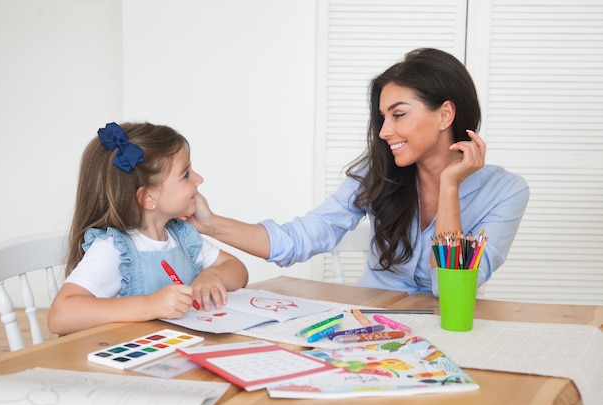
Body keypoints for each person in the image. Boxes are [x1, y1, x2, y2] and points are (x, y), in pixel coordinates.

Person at [187, 48, 529, 296]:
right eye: (383, 118)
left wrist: (449, 187)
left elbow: (450, 289)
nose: (384, 132)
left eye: (398, 115)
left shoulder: (507, 191)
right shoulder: (377, 172)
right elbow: (300, 238)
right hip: (372, 325)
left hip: (447, 328)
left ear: (445, 115)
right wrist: (210, 224)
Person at [48, 122, 248, 335]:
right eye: (186, 174)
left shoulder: (181, 236)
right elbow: (60, 315)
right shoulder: (116, 249)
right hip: (129, 358)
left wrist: (214, 276)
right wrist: (150, 305)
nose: (199, 179)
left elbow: (238, 270)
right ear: (148, 198)